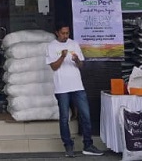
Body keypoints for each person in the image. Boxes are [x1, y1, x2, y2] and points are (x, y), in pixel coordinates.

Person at [45, 22, 104, 157]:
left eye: (67, 33)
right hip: (62, 88)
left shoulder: (74, 44)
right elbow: (54, 67)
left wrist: (77, 59)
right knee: (64, 117)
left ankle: (88, 145)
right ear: (57, 33)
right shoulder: (51, 46)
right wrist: (62, 56)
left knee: (86, 115)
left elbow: (81, 65)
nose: (66, 36)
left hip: (77, 86)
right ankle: (68, 146)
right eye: (63, 33)